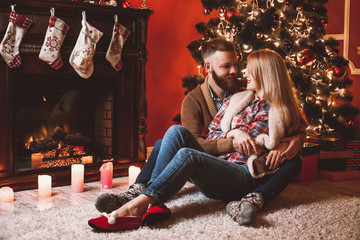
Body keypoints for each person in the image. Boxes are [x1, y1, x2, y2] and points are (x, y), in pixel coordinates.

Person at [89, 47, 307, 231]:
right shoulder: (238, 99)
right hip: (217, 169)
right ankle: (148, 198)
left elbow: (301, 132)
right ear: (208, 68)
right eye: (229, 67)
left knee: (187, 155)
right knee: (175, 132)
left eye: (250, 69)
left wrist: (293, 141)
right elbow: (211, 134)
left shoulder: (281, 111)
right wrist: (232, 133)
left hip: (243, 175)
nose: (242, 72)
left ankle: (139, 204)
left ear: (265, 73)